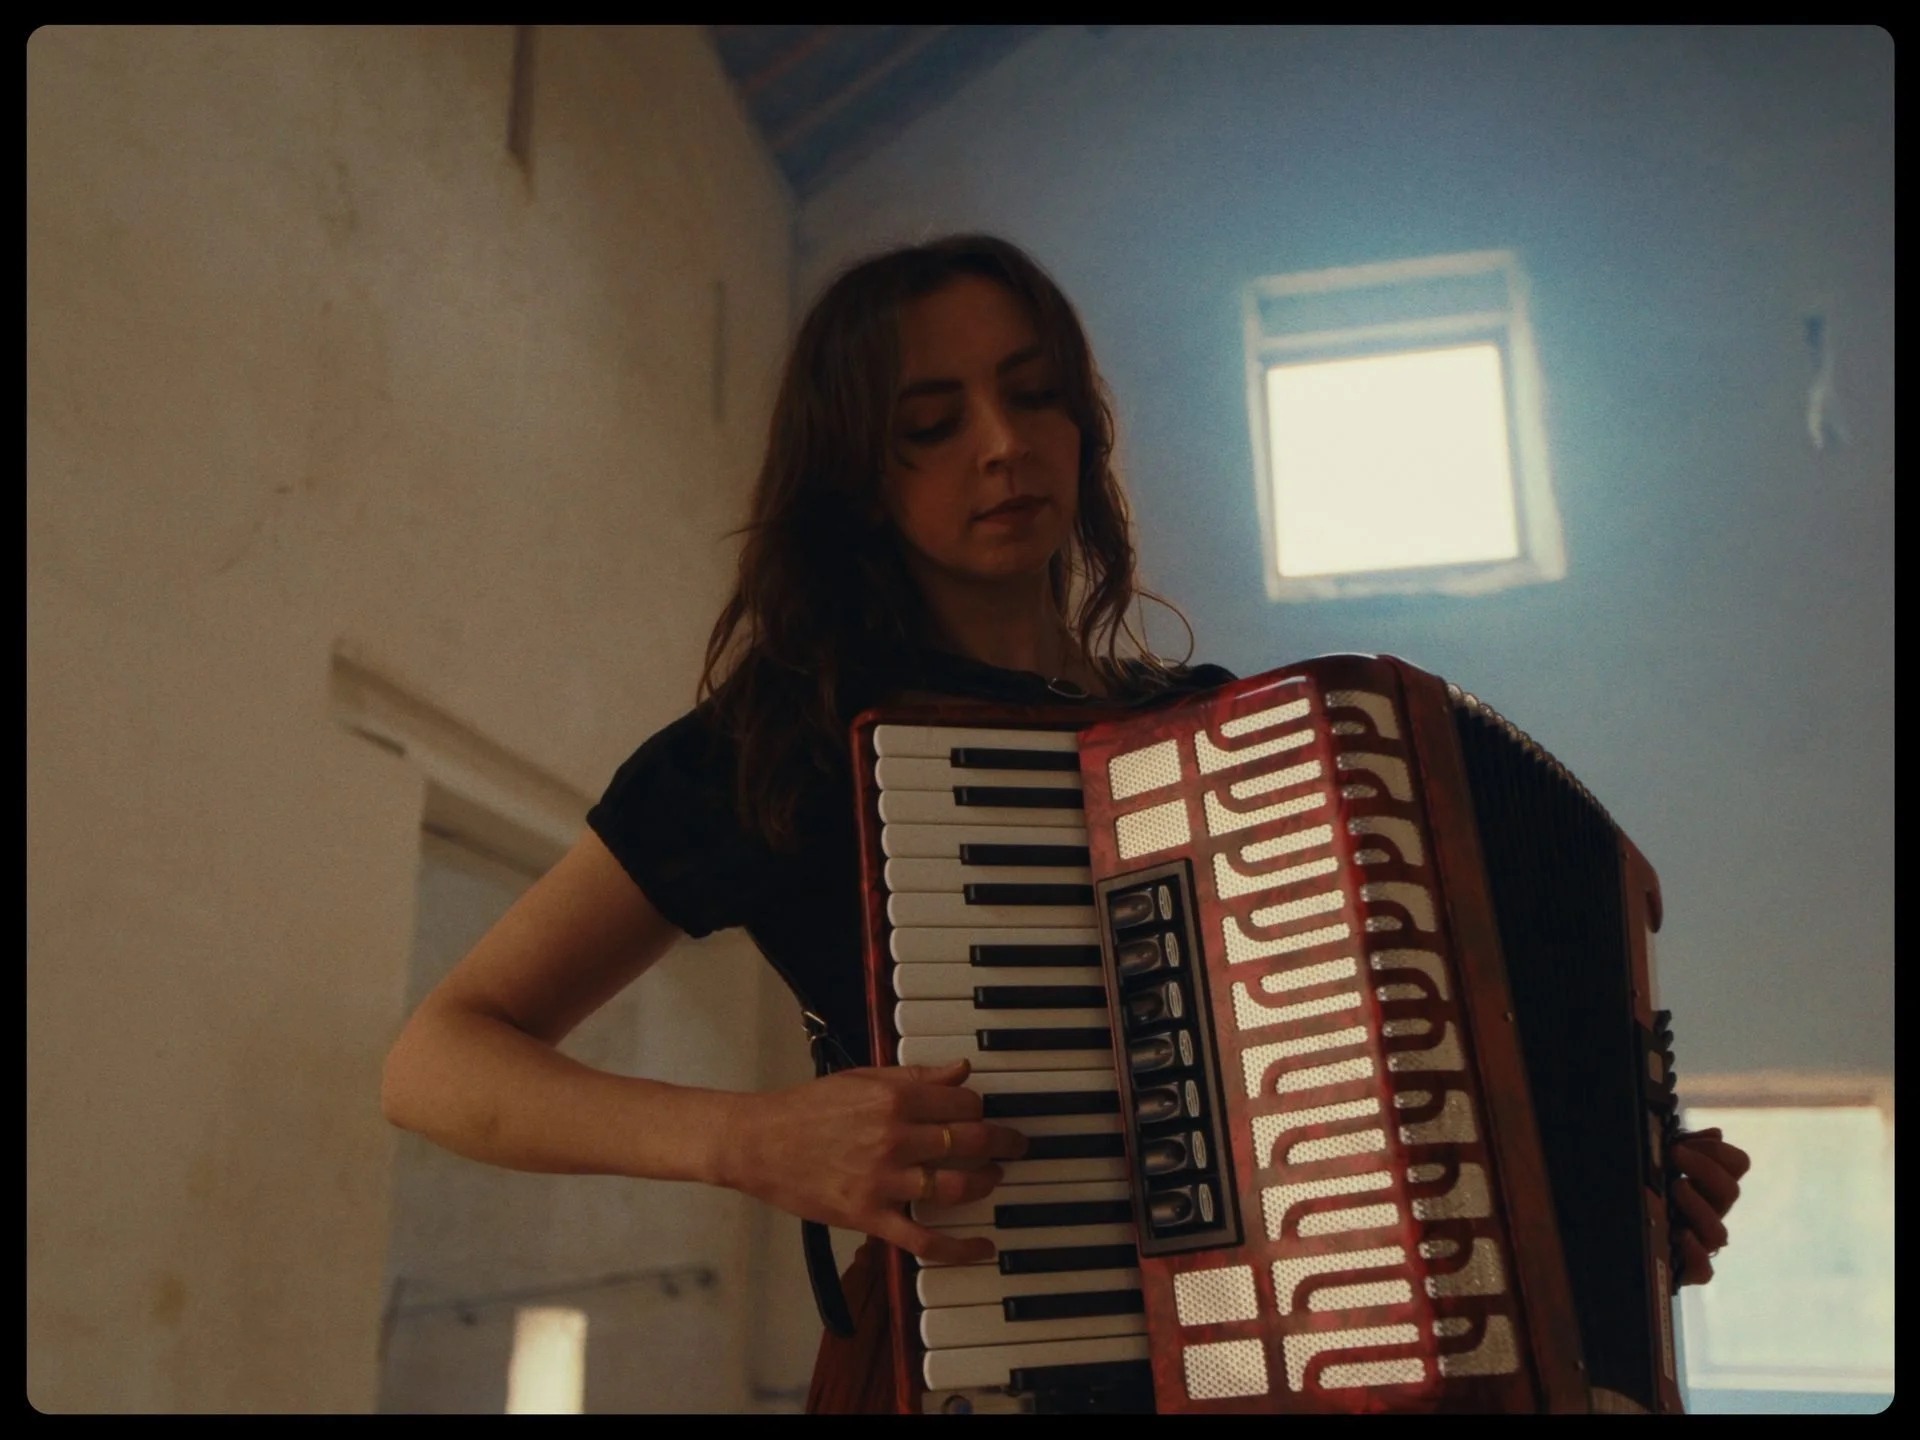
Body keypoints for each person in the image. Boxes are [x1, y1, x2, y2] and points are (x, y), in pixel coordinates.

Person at [379, 234, 1749, 1414]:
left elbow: (1415, 1112)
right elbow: (439, 1059)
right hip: (968, 1372)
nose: (1000, 443)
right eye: (932, 421)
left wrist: (1602, 1209)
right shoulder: (784, 740)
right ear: (858, 473)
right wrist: (754, 1141)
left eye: (1034, 396)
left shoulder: (1249, 742)